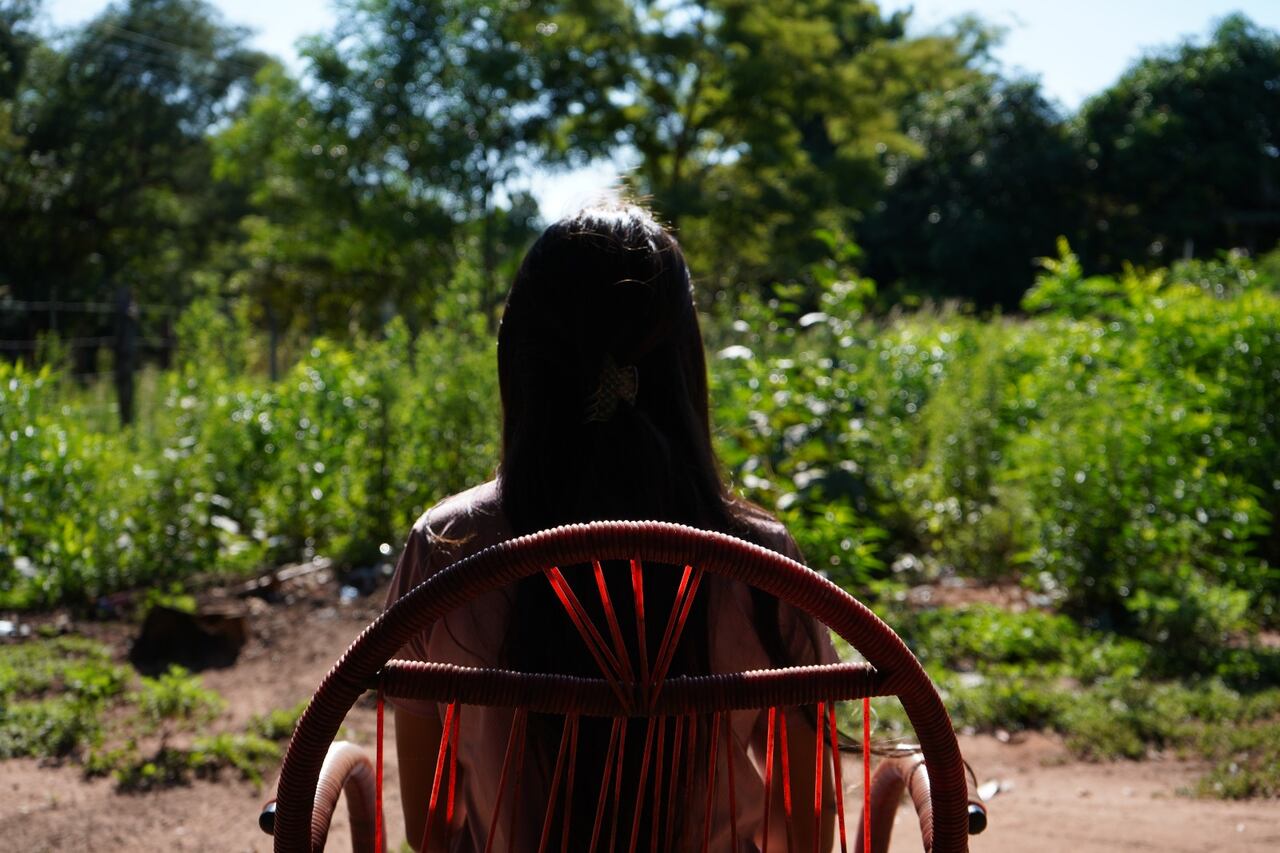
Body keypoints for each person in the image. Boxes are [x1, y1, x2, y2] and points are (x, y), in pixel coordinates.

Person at [386, 201, 839, 852]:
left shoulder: (447, 548)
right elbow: (810, 821)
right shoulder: (757, 559)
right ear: (683, 365)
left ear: (521, 358)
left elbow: (429, 827)